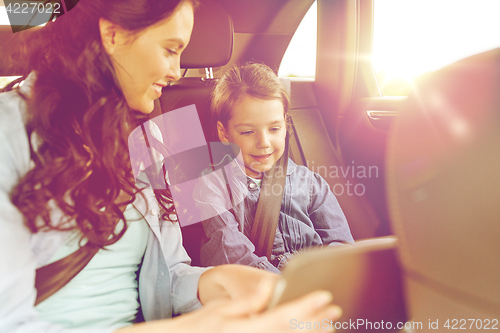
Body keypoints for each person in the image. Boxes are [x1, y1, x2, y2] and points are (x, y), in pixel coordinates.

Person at [0, 1, 342, 332]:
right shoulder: (8, 131)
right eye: (170, 49)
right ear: (113, 35)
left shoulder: (150, 139)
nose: (176, 71)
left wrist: (211, 283)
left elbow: (168, 272)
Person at [197, 63, 354, 273]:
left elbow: (341, 247)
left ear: (285, 126)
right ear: (224, 133)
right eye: (247, 132)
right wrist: (286, 289)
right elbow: (231, 254)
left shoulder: (309, 183)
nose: (264, 142)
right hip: (257, 289)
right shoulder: (213, 186)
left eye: (274, 129)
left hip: (317, 281)